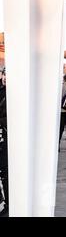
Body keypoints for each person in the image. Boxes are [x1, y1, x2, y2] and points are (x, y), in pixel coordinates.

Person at [0, 67, 8, 216]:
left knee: (6, 173)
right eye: (4, 74)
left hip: (8, 139)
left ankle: (9, 203)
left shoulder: (19, 94)